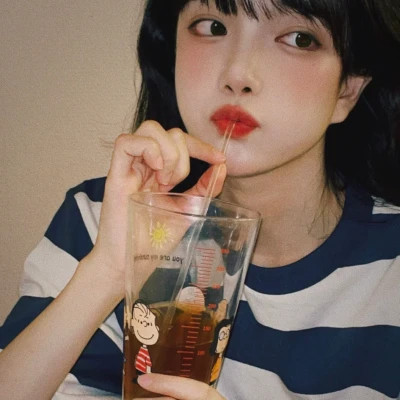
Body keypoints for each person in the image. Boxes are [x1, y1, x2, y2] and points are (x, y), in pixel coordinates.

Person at [1, 0, 400, 398]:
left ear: (348, 89)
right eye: (212, 27)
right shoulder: (104, 219)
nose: (238, 75)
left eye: (299, 39)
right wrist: (110, 270)